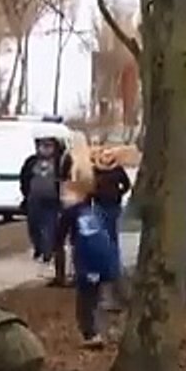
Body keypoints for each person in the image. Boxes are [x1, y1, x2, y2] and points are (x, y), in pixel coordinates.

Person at [64, 147, 118, 348]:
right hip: (99, 261)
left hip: (86, 262)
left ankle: (91, 333)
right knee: (96, 296)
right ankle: (101, 330)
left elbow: (60, 235)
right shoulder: (96, 213)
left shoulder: (73, 213)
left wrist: (51, 249)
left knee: (85, 299)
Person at [19, 136, 64, 264]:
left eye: (49, 146)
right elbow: (24, 178)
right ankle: (38, 247)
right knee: (34, 226)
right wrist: (26, 193)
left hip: (52, 199)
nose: (45, 149)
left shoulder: (58, 162)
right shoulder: (31, 162)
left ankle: (48, 252)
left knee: (50, 226)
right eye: (43, 146)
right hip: (34, 199)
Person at [91, 145, 131, 278]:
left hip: (113, 206)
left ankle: (114, 269)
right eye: (104, 155)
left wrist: (119, 193)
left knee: (112, 236)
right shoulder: (95, 169)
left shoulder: (118, 170)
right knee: (100, 237)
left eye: (109, 155)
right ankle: (102, 268)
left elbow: (126, 184)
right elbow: (89, 184)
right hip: (98, 205)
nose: (107, 158)